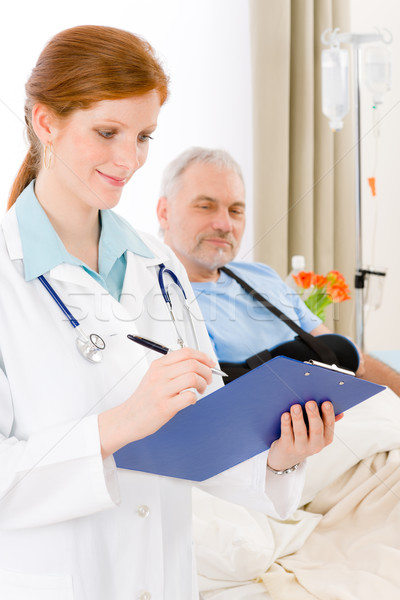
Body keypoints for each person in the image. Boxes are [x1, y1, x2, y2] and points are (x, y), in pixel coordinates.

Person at [0, 26, 337, 600]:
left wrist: (279, 456)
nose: (128, 159)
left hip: (161, 577)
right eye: (107, 132)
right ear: (45, 122)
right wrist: (119, 426)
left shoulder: (157, 266)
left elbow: (198, 433)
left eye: (144, 136)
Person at [157, 146, 400, 394]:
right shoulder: (155, 296)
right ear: (164, 213)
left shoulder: (262, 277)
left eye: (236, 211)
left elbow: (351, 361)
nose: (225, 224)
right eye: (205, 206)